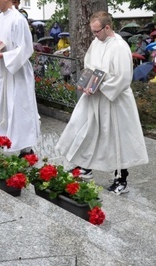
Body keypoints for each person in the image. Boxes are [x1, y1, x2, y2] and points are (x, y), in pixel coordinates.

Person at [56, 11, 148, 194]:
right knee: (87, 130)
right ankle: (85, 167)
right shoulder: (96, 42)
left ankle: (121, 178)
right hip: (94, 97)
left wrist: (101, 87)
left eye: (97, 31)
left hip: (115, 101)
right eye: (93, 31)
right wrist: (86, 82)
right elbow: (90, 65)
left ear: (107, 27)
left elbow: (123, 78)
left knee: (116, 138)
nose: (94, 35)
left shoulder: (120, 47)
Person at [0, 0, 40, 155]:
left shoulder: (18, 19)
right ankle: (6, 140)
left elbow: (26, 48)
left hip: (18, 71)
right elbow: (3, 42)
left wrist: (3, 56)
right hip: (3, 70)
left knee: (18, 109)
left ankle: (25, 148)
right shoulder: (0, 18)